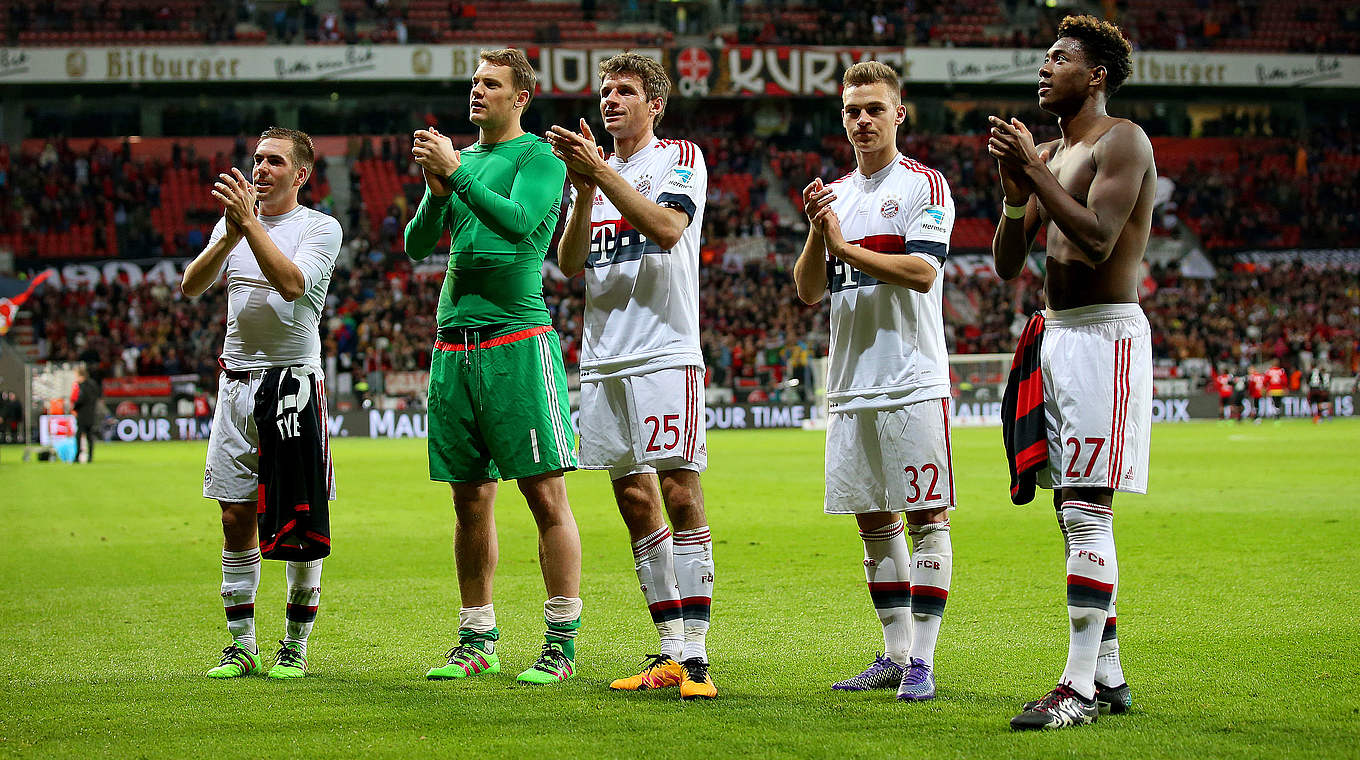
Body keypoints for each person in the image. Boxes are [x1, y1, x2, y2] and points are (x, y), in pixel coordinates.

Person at [988, 15, 1152, 729]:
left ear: (1096, 76)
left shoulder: (1124, 140)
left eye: (1060, 58)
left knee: (1086, 508)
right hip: (1055, 335)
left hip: (1104, 337)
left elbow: (1094, 237)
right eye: (1045, 56)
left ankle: (1076, 687)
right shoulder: (1051, 151)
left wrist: (1034, 173)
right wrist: (1014, 191)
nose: (1045, 67)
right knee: (1070, 511)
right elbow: (1003, 263)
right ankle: (1108, 676)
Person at [404, 48, 583, 686]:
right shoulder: (463, 164)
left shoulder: (539, 158)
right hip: (453, 348)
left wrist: (456, 176)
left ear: (520, 98)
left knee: (544, 494)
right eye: (474, 82)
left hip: (517, 342)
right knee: (469, 501)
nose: (477, 91)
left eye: (491, 84)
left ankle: (559, 643)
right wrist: (436, 189)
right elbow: (416, 245)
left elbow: (517, 224)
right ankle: (477, 638)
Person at [547, 52, 717, 699]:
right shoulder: (592, 174)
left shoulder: (680, 158)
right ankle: (669, 651)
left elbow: (669, 228)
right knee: (634, 500)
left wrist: (601, 176)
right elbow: (567, 263)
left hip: (665, 351)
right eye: (605, 91)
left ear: (655, 105)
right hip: (604, 358)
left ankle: (699, 658)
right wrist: (587, 185)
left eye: (624, 91)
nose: (610, 100)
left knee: (678, 491)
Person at [793, 61, 957, 703]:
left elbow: (922, 272)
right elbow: (808, 291)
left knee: (926, 515)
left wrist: (845, 246)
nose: (862, 120)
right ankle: (893, 654)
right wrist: (818, 234)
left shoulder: (924, 186)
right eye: (852, 110)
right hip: (852, 383)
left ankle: (923, 660)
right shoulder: (834, 197)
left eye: (874, 109)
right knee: (872, 520)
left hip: (912, 380)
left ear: (899, 113)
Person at [181, 126, 342, 680]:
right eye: (256, 160)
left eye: (274, 161)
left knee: (299, 519)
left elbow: (294, 285)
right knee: (233, 516)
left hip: (292, 385)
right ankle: (240, 644)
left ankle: (294, 646)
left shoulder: (319, 227)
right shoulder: (231, 230)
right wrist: (228, 238)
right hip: (235, 386)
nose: (261, 169)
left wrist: (248, 226)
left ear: (301, 174)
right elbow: (191, 285)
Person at [70, 366, 101, 462]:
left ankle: (77, 456)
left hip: (82, 414)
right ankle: (90, 457)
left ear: (80, 376)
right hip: (92, 413)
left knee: (79, 435)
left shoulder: (82, 386)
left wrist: (74, 408)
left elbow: (80, 399)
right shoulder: (93, 385)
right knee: (89, 436)